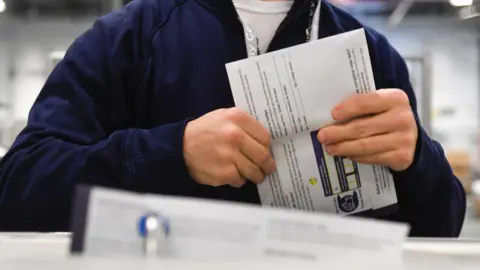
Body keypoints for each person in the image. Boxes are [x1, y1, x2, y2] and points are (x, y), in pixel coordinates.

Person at [0, 0, 465, 236]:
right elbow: (17, 191)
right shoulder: (129, 38)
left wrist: (417, 163)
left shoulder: (371, 54)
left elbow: (441, 228)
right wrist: (171, 153)